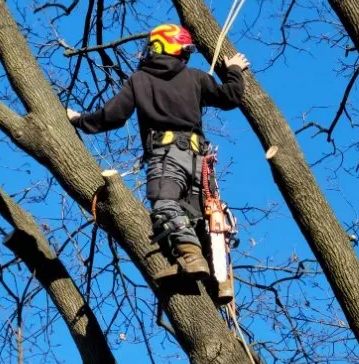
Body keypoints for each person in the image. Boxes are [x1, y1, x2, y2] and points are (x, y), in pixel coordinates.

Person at [67, 23, 249, 278]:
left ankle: (193, 258)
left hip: (167, 156)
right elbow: (231, 96)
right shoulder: (196, 77)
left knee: (165, 204)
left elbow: (112, 117)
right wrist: (233, 70)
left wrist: (78, 120)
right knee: (197, 220)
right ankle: (216, 279)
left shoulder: (141, 80)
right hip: (200, 163)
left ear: (159, 47)